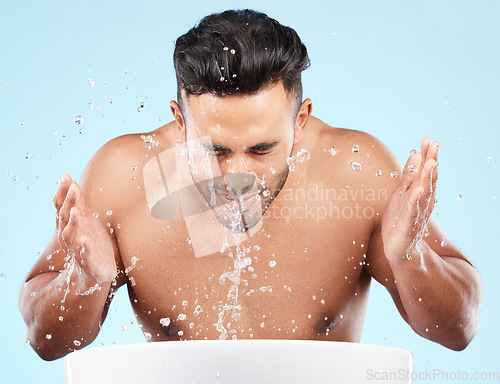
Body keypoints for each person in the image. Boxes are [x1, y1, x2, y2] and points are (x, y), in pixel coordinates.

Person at [19, 9, 481, 361]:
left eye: (262, 149)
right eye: (215, 150)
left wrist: (411, 257)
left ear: (300, 120)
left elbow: (459, 329)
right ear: (180, 123)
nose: (237, 176)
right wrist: (83, 281)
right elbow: (46, 341)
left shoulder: (353, 171)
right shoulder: (126, 179)